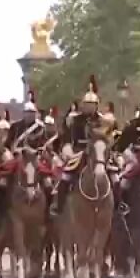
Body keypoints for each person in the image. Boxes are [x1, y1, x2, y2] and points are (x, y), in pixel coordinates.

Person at [52, 76, 103, 216]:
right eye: (88, 104)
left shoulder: (102, 120)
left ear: (97, 105)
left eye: (93, 104)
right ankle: (59, 206)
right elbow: (67, 137)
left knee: (115, 178)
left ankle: (118, 206)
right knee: (65, 177)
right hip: (78, 154)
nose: (90, 107)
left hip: (98, 154)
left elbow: (108, 139)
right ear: (83, 105)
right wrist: (67, 148)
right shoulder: (74, 120)